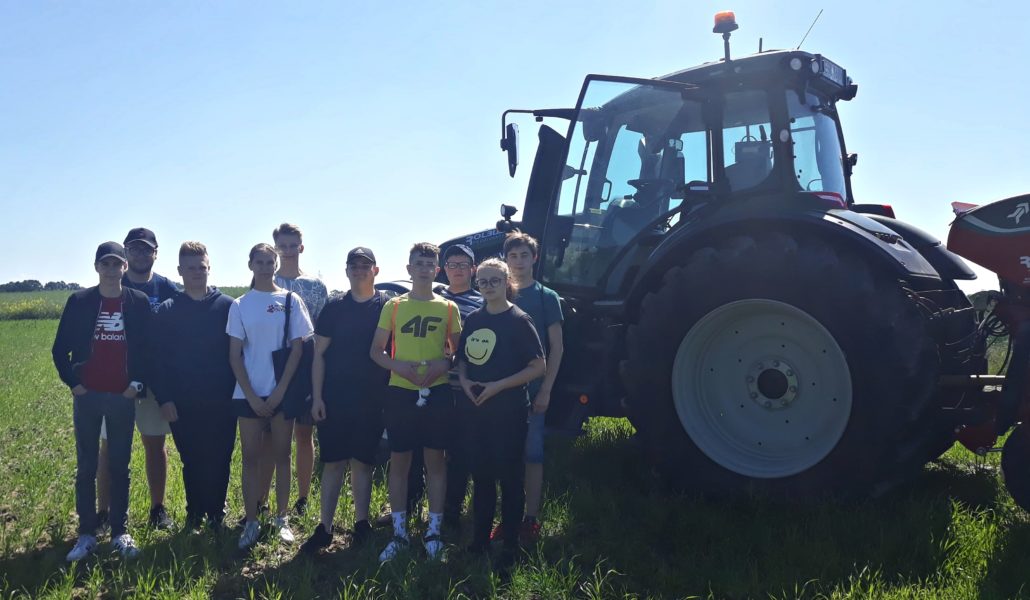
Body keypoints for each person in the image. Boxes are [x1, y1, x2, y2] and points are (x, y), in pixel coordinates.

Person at [52, 241, 149, 561]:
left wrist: (135, 386)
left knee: (121, 467)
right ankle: (86, 535)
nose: (110, 269)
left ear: (125, 267)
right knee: (87, 468)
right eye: (104, 264)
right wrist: (76, 385)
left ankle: (120, 532)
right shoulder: (80, 301)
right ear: (96, 267)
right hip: (88, 397)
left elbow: (151, 349)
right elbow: (59, 351)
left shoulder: (137, 302)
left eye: (116, 264)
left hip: (123, 396)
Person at [370, 242, 461, 562]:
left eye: (429, 264)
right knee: (400, 462)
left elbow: (458, 352)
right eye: (418, 263)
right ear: (409, 269)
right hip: (400, 392)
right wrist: (399, 367)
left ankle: (433, 531)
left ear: (437, 270)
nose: (424, 268)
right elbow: (376, 352)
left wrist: (444, 365)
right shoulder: (394, 306)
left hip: (436, 392)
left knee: (436, 461)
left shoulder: (448, 308)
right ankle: (399, 533)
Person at [457, 258, 545, 569]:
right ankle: (479, 541)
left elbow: (538, 366)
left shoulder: (520, 320)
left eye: (495, 280)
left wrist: (498, 386)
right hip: (477, 412)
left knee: (509, 478)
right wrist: (466, 381)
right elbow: (463, 359)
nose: (488, 286)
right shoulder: (473, 320)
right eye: (483, 281)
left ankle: (510, 544)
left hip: (508, 412)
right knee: (481, 478)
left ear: (506, 280)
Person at [301, 247, 389, 554]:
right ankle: (325, 527)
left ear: (375, 270)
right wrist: (317, 397)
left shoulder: (387, 306)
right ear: (347, 270)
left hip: (372, 398)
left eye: (366, 266)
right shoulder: (334, 307)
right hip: (335, 398)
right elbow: (319, 355)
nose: (360, 270)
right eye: (355, 265)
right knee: (333, 463)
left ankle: (361, 524)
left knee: (363, 463)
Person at [228, 243, 313, 550]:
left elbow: (298, 349)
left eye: (270, 261)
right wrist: (251, 396)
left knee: (282, 456)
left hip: (282, 394)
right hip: (248, 394)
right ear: (251, 265)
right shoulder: (239, 305)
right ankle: (251, 520)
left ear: (277, 264)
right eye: (260, 261)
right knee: (250, 458)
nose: (265, 266)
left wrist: (279, 391)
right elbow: (235, 356)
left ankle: (281, 519)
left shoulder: (290, 300)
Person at [149, 242, 236, 532]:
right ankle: (194, 512)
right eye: (190, 267)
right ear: (179, 271)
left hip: (223, 399)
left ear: (209, 268)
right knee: (193, 459)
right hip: (182, 402)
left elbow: (239, 354)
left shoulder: (227, 307)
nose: (197, 272)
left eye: (202, 266)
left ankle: (216, 514)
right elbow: (156, 360)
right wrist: (164, 398)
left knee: (220, 457)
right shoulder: (168, 310)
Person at [96, 227, 178, 531]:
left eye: (146, 249)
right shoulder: (113, 285)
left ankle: (158, 510)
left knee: (155, 445)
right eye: (134, 249)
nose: (141, 254)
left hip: (154, 383)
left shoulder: (169, 289)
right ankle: (104, 514)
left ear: (155, 253)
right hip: (114, 383)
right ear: (125, 256)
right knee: (110, 447)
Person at [498, 232, 564, 543]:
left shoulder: (546, 297)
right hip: (501, 391)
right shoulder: (499, 294)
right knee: (505, 456)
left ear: (533, 259)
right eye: (513, 256)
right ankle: (506, 516)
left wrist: (546, 389)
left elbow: (557, 347)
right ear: (506, 260)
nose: (519, 261)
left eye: (524, 255)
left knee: (532, 456)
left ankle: (531, 518)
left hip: (533, 390)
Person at [271, 223, 328, 516]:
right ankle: (265, 501)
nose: (289, 251)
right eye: (283, 246)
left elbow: (323, 330)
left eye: (294, 245)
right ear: (276, 248)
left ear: (301, 248)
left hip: (306, 366)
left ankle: (303, 499)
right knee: (274, 437)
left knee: (304, 435)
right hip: (273, 366)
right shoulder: (267, 280)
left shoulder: (315, 286)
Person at [434, 244, 484, 529]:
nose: (457, 269)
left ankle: (453, 509)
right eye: (452, 264)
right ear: (444, 269)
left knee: (460, 452)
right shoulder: (433, 298)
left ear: (472, 269)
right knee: (428, 449)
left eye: (463, 264)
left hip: (463, 388)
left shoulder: (482, 302)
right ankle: (415, 503)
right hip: (431, 384)